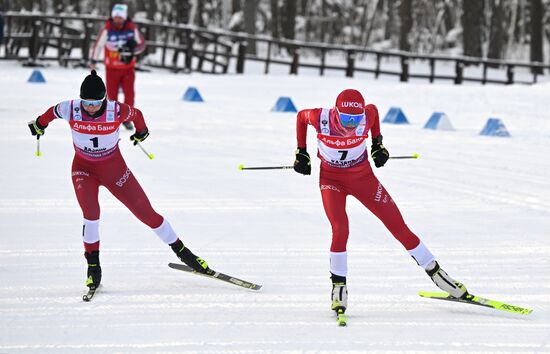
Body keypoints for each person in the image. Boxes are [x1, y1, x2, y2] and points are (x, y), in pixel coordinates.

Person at [27, 70, 210, 291]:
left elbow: (138, 115)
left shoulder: (116, 110)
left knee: (146, 212)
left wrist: (141, 132)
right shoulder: (70, 108)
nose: (91, 107)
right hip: (83, 170)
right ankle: (93, 266)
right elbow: (50, 113)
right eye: (86, 102)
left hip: (114, 169)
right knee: (91, 214)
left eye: (96, 103)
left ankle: (184, 252)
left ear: (104, 100)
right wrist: (39, 124)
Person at [292, 89, 468, 316]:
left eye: (355, 120)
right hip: (331, 180)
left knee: (398, 226)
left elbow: (373, 111)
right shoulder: (320, 117)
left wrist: (378, 143)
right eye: (346, 118)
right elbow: (300, 117)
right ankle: (339, 287)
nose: (350, 125)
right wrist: (301, 152)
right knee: (340, 228)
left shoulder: (367, 116)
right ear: (336, 112)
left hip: (362, 178)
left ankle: (437, 273)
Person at [89, 4, 146, 130]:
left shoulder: (132, 28)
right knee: (111, 95)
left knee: (129, 94)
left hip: (128, 68)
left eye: (120, 17)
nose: (118, 19)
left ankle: (127, 118)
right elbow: (98, 45)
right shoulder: (107, 29)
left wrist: (132, 50)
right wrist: (93, 60)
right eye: (116, 17)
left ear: (124, 18)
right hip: (112, 68)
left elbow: (142, 45)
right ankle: (111, 119)